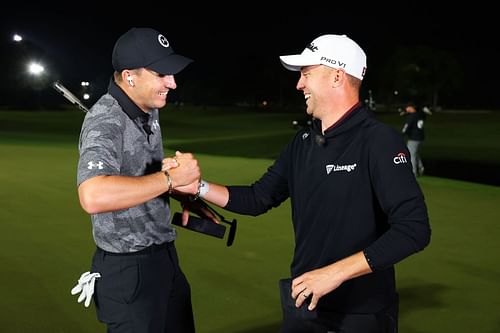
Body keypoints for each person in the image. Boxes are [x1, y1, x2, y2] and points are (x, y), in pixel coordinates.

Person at [176, 34, 431, 332]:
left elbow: (414, 228)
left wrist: (333, 274)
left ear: (337, 76)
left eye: (306, 74)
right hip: (305, 304)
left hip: (360, 313)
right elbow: (259, 197)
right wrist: (197, 187)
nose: (299, 85)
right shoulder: (304, 142)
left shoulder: (378, 141)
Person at [76, 27, 201, 333]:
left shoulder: (148, 109)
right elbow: (93, 195)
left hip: (164, 258)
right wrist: (169, 178)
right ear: (130, 77)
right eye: (162, 75)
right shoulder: (105, 120)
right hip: (128, 272)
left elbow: (142, 176)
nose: (172, 83)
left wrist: (177, 190)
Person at [402, 102, 426, 176]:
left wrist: (401, 135)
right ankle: (421, 168)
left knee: (411, 154)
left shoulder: (411, 116)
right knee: (415, 153)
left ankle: (413, 172)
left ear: (411, 107)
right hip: (420, 138)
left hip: (414, 138)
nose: (406, 109)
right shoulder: (420, 115)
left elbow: (406, 128)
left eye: (407, 107)